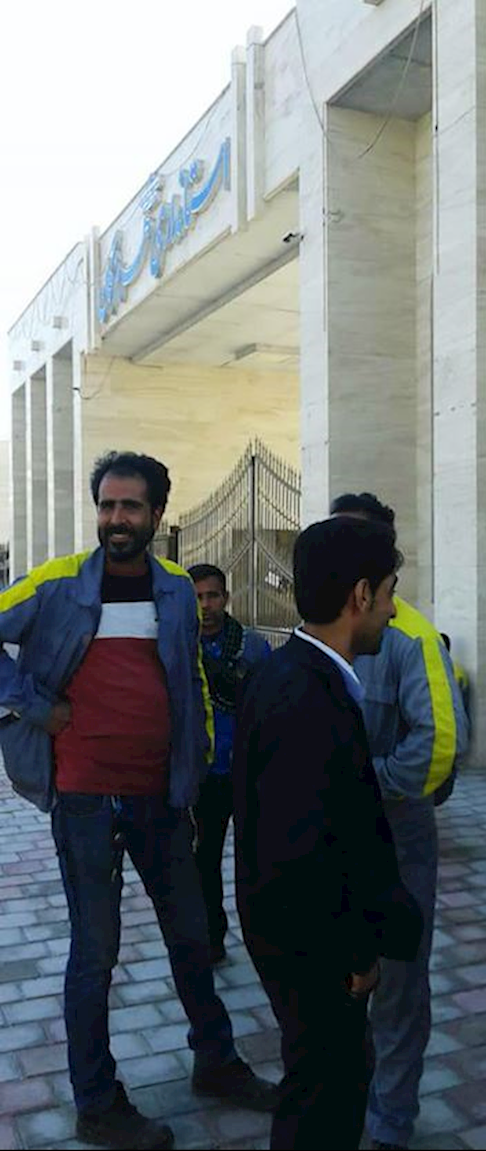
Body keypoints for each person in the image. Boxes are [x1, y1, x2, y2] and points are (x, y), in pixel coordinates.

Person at [0, 451, 276, 1151]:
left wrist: (196, 776)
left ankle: (215, 1061)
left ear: (157, 514)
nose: (115, 519)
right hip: (86, 798)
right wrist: (36, 705)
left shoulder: (179, 588)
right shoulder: (59, 582)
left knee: (191, 935)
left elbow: (190, 689)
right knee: (96, 953)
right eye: (107, 505)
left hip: (159, 797)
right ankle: (96, 1100)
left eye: (129, 506)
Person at [233, 517, 423, 1151]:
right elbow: (301, 851)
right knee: (325, 1095)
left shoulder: (297, 675)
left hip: (298, 942)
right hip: (312, 952)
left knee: (325, 1079)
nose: (395, 612)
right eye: (391, 593)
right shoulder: (305, 697)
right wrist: (352, 957)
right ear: (361, 595)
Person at [330, 492, 470, 1150]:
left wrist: (368, 784)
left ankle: (389, 1122)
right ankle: (350, 1090)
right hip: (330, 838)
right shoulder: (316, 634)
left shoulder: (411, 635)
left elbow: (443, 745)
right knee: (339, 973)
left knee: (400, 983)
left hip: (396, 833)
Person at [188, 563, 270, 965]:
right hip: (205, 775)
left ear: (226, 597)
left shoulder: (253, 648)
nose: (206, 605)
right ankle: (212, 939)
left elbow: (270, 709)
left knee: (258, 861)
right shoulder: (179, 648)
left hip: (250, 773)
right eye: (198, 597)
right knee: (205, 862)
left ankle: (267, 939)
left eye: (213, 595)